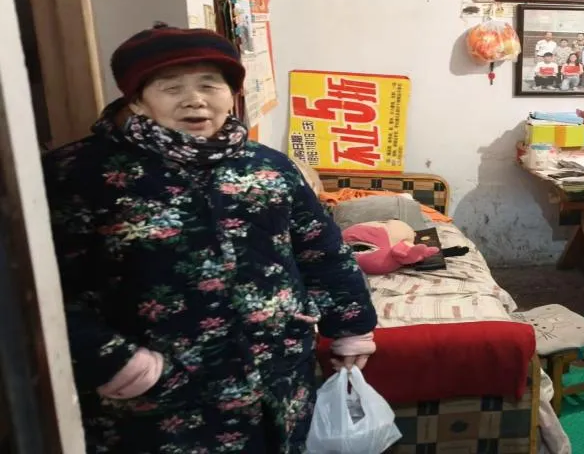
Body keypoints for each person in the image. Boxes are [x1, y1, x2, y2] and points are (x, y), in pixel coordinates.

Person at [44, 24, 379, 453]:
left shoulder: (269, 166)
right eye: (171, 87)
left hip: (276, 379)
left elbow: (322, 250)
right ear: (136, 99)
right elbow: (36, 287)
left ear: (232, 94)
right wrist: (111, 359)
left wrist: (351, 326)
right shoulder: (81, 173)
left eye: (210, 85)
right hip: (158, 395)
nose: (194, 99)